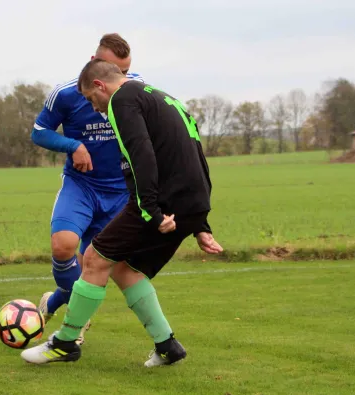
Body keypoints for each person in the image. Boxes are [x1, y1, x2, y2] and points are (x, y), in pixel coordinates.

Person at [21, 59, 224, 367]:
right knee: (125, 268)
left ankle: (65, 343)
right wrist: (200, 222)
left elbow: (141, 154)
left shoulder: (121, 100)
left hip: (159, 203)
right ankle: (167, 346)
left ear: (101, 86)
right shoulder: (161, 96)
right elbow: (196, 153)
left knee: (94, 258)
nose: (96, 107)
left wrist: (151, 212)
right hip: (190, 202)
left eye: (92, 99)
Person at [31, 33, 145, 345]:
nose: (122, 79)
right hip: (81, 186)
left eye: (126, 70)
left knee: (95, 265)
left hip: (120, 192)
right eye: (116, 71)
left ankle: (52, 304)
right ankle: (75, 322)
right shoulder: (66, 93)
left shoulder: (135, 88)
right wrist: (72, 145)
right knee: (63, 246)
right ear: (96, 64)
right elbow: (39, 132)